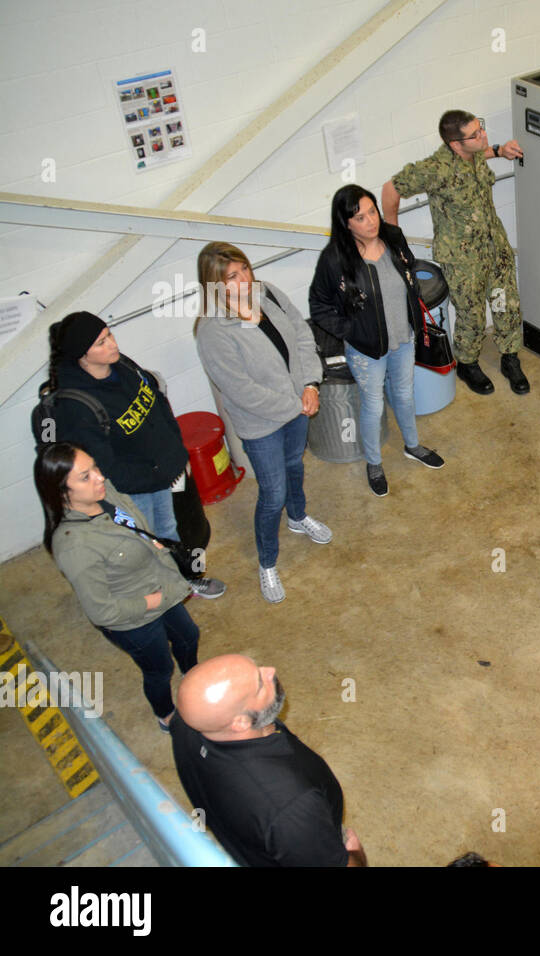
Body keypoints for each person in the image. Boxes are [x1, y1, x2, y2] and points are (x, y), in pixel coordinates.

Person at [44, 312, 225, 598]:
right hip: (136, 490)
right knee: (144, 546)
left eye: (109, 335)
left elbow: (158, 405)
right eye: (101, 343)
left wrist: (174, 451)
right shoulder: (76, 407)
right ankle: (157, 598)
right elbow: (107, 466)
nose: (112, 345)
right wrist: (156, 475)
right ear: (83, 356)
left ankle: (181, 583)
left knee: (168, 532)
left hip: (161, 474)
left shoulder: (123, 366)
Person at [194, 241, 332, 604]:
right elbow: (240, 390)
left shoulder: (267, 294)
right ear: (214, 286)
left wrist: (310, 384)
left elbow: (302, 336)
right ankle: (268, 562)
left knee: (294, 467)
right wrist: (297, 404)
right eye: (232, 277)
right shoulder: (213, 331)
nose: (245, 281)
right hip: (262, 423)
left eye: (245, 270)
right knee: (273, 494)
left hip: (298, 403)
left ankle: (298, 518)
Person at [36, 442, 200, 732]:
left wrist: (151, 544)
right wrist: (150, 603)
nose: (99, 477)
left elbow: (130, 523)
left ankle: (194, 677)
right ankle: (166, 715)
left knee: (189, 636)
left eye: (94, 467)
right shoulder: (74, 545)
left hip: (159, 585)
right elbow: (102, 611)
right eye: (85, 477)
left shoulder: (105, 492)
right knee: (159, 669)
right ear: (62, 492)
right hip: (133, 618)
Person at [308, 185, 445, 497]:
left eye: (372, 211)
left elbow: (409, 268)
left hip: (403, 337)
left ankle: (413, 446)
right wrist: (350, 329)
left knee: (405, 395)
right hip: (366, 350)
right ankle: (374, 463)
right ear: (346, 224)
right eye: (360, 217)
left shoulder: (393, 237)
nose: (371, 221)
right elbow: (318, 305)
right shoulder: (334, 259)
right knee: (372, 406)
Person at [381, 110, 530, 396]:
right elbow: (391, 189)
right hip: (464, 260)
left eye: (481, 129)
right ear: (455, 144)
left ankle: (510, 358)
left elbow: (478, 155)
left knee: (506, 304)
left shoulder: (472, 152)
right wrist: (394, 237)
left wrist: (498, 150)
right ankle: (468, 363)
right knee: (471, 315)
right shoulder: (436, 169)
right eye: (475, 135)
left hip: (494, 247)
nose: (483, 136)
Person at [170, 654, 366, 866]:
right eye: (260, 684)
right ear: (240, 723)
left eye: (257, 668)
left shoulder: (184, 725)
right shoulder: (291, 807)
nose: (270, 671)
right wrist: (356, 856)